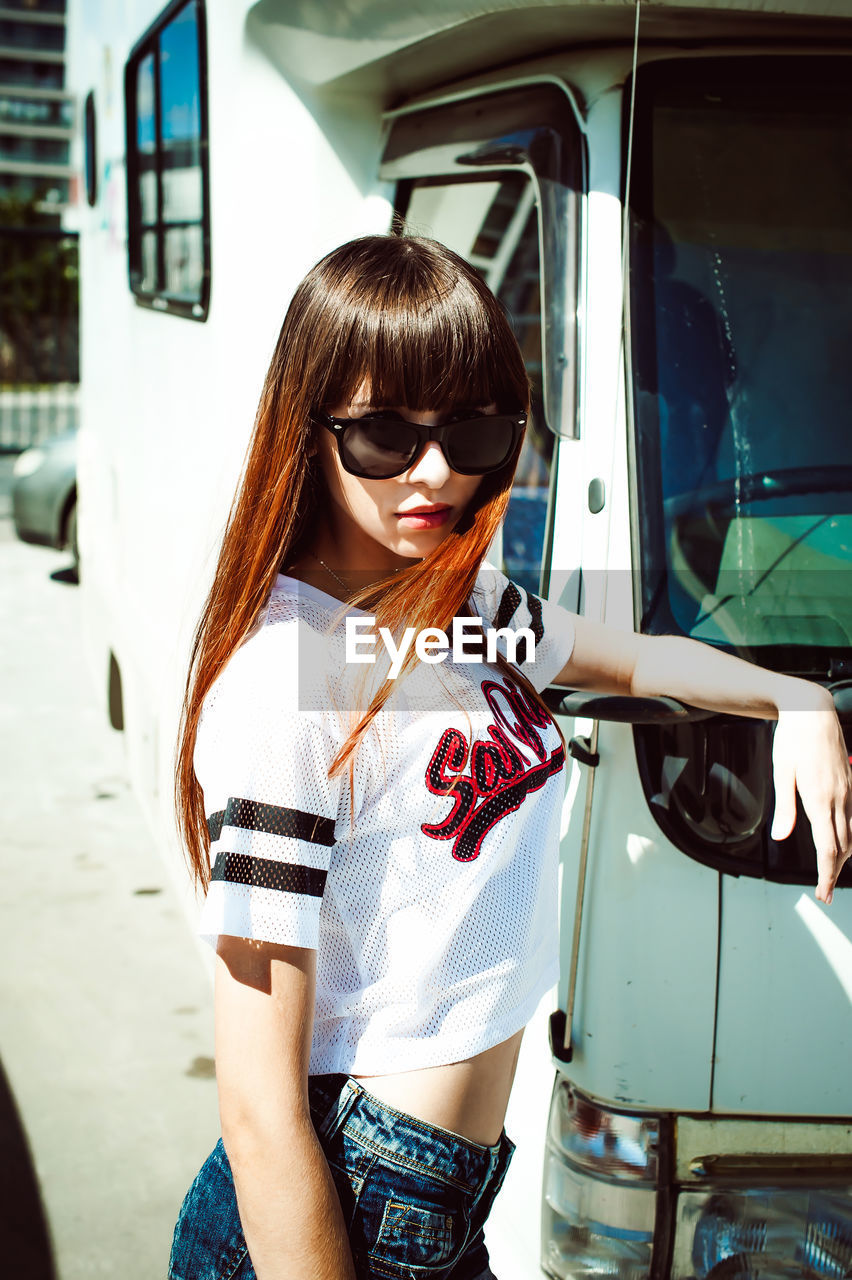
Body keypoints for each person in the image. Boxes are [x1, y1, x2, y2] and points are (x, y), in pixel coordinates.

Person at [168, 234, 851, 1280]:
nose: (436, 474)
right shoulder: (285, 682)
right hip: (338, 1197)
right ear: (310, 429)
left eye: (474, 429)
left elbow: (629, 655)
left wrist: (793, 696)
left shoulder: (463, 604)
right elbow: (260, 1109)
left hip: (439, 1198)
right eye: (387, 435)